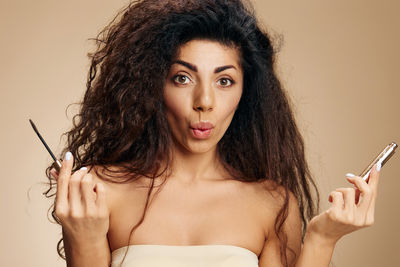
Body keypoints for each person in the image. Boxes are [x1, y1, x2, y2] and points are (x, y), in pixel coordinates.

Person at [45, 0, 381, 266]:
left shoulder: (271, 204)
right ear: (152, 85)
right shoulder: (99, 193)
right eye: (183, 78)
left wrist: (323, 238)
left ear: (245, 92)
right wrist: (85, 237)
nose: (204, 102)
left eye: (224, 81)